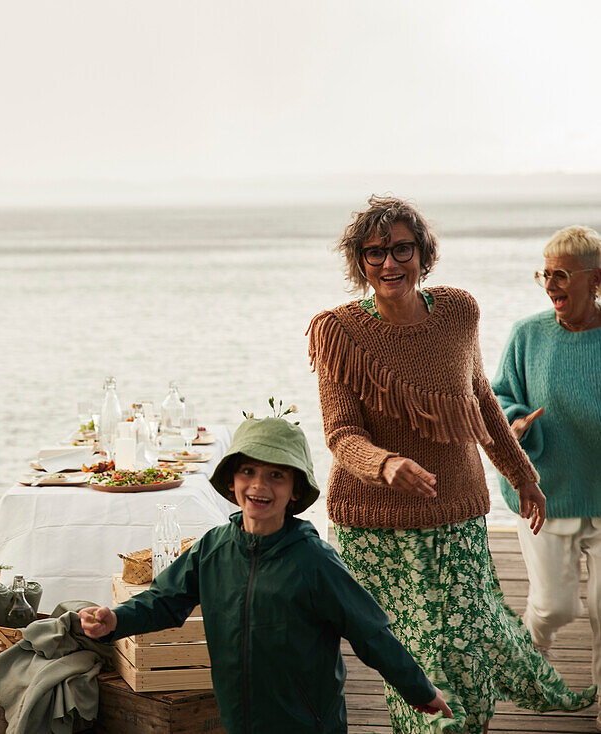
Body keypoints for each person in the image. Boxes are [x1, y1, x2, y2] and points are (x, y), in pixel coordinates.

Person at [306, 195, 596, 733]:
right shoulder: (339, 332)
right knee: (414, 656)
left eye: (401, 249)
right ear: (359, 263)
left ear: (423, 253)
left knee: (469, 642)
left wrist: (524, 477)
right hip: (376, 523)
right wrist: (385, 463)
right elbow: (340, 432)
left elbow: (482, 401)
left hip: (456, 510)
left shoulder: (459, 311)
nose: (389, 263)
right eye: (374, 254)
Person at [79, 417, 453, 733]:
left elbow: (370, 632)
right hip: (239, 719)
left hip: (308, 723)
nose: (259, 485)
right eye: (248, 471)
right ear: (231, 481)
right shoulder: (212, 549)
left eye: (276, 475)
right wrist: (116, 619)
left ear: (295, 490)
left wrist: (418, 689)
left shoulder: (314, 561)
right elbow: (163, 600)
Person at [491, 227, 601, 696]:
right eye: (545, 274)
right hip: (546, 491)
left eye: (561, 274)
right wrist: (514, 425)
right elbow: (497, 397)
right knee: (556, 608)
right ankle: (527, 655)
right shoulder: (527, 336)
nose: (551, 284)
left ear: (595, 278)